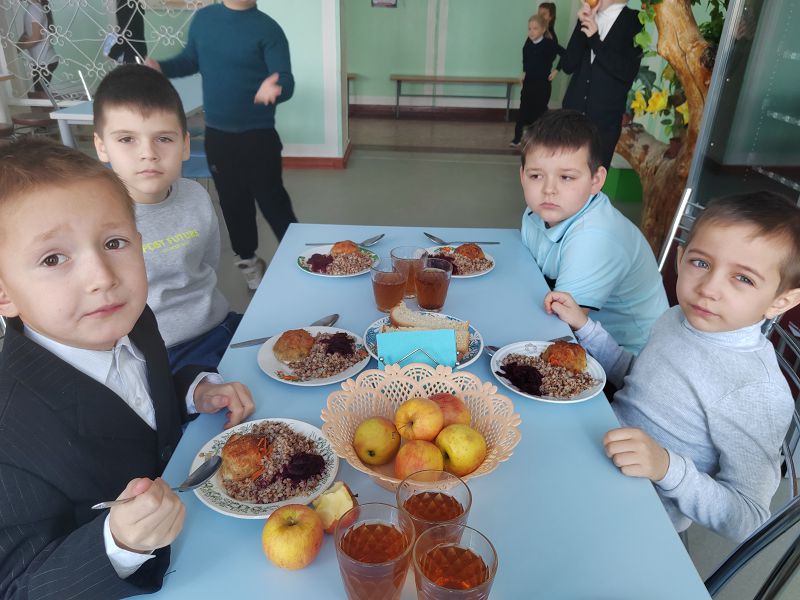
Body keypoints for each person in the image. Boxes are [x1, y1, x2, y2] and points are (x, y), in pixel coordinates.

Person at [0, 138, 255, 598]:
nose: (103, 277)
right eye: (53, 258)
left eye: (114, 242)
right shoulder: (10, 434)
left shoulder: (134, 320)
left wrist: (192, 391)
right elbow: (18, 584)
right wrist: (116, 543)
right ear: (4, 292)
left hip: (210, 536)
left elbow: (137, 400)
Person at [544, 191, 800, 542]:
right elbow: (639, 380)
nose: (709, 288)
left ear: (781, 301)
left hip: (637, 519)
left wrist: (666, 467)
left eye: (743, 278)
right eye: (701, 263)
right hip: (591, 450)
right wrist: (585, 328)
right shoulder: (677, 317)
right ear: (680, 259)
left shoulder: (756, 391)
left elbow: (749, 519)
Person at [93, 64, 241, 372]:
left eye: (163, 138)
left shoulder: (196, 196)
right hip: (152, 353)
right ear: (102, 147)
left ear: (185, 145)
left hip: (219, 327)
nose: (148, 153)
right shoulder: (95, 219)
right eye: (127, 139)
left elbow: (207, 265)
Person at [145, 0, 297, 291]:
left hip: (258, 136)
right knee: (233, 201)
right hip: (219, 136)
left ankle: (299, 256)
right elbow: (190, 60)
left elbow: (286, 79)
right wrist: (161, 67)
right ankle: (249, 262)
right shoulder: (205, 19)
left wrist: (276, 86)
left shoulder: (268, 29)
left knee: (273, 200)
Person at [519, 109, 668, 354]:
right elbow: (523, 270)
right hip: (580, 338)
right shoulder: (539, 211)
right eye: (536, 176)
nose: (548, 189)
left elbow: (562, 325)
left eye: (567, 177)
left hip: (629, 358)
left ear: (596, 181)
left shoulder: (594, 237)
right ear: (522, 176)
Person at [560, 0, 643, 169]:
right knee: (564, 173)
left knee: (593, 178)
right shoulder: (589, 17)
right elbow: (568, 65)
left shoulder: (635, 21)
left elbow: (626, 72)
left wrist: (595, 39)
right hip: (571, 117)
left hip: (604, 123)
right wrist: (582, 23)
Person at [510, 15, 562, 148]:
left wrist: (556, 70)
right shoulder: (527, 45)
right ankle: (517, 138)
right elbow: (525, 60)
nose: (531, 32)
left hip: (542, 85)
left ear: (543, 29)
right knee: (522, 110)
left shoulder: (549, 44)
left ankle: (540, 139)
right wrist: (524, 72)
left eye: (535, 28)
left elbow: (565, 54)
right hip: (528, 83)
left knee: (540, 112)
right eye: (529, 29)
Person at [18, 0, 58, 99]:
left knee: (40, 96)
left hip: (44, 61)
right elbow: (27, 34)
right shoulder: (35, 8)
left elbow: (36, 38)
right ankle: (58, 105)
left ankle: (61, 106)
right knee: (40, 94)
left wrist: (19, 47)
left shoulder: (34, 9)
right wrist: (15, 47)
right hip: (45, 60)